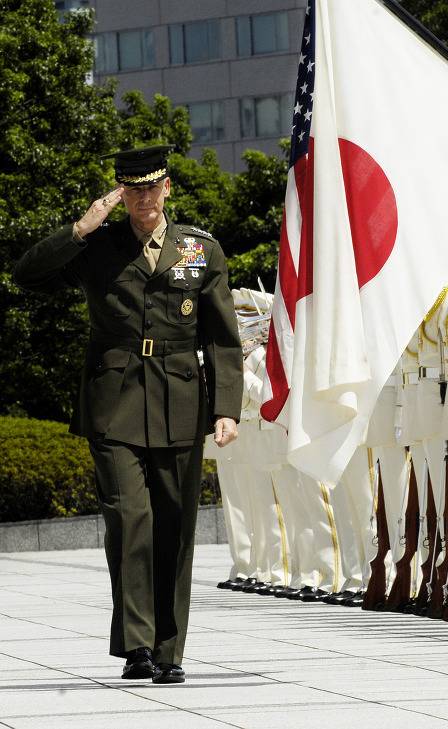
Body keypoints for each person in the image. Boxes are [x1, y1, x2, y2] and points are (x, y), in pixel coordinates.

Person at [13, 145, 243, 685]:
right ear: (121, 193)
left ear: (167, 189)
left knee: (175, 526)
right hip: (113, 402)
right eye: (132, 189)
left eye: (151, 187)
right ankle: (138, 647)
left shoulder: (199, 249)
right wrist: (78, 228)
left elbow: (223, 337)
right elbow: (26, 274)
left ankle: (170, 650)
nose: (143, 197)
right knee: (130, 520)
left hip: (181, 401)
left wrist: (226, 409)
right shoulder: (98, 248)